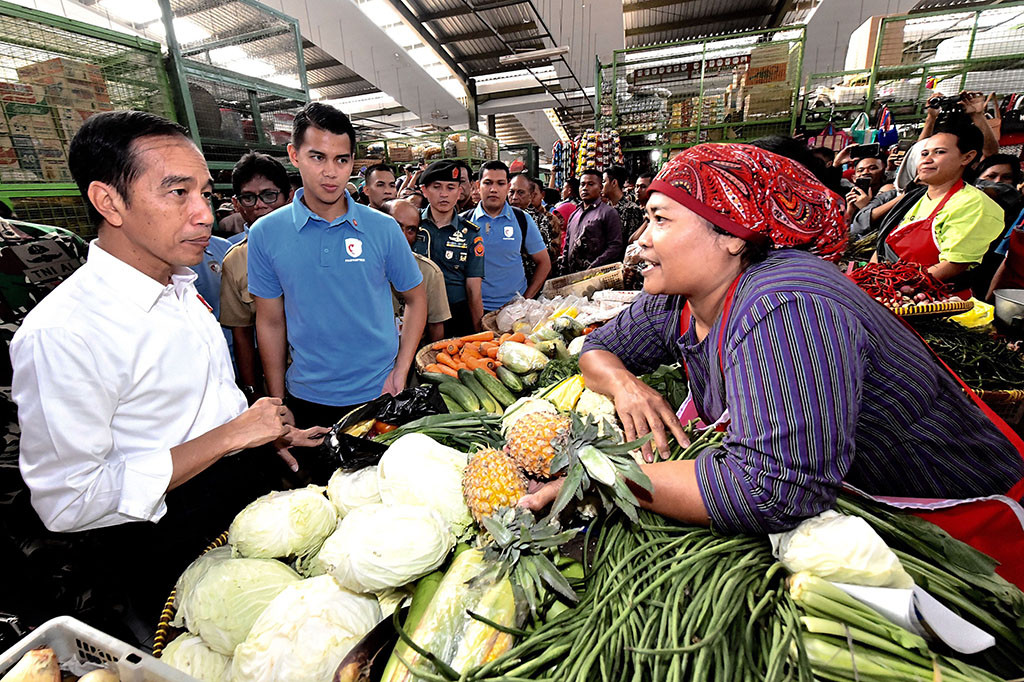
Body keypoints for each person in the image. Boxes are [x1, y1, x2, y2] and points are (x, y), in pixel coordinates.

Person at [520, 143, 1024, 586]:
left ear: (733, 234)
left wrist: (605, 476)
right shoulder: (679, 299)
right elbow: (597, 349)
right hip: (861, 530)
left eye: (661, 219)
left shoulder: (786, 304)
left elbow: (773, 487)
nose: (642, 239)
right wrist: (627, 386)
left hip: (960, 536)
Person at [9, 110, 323, 636]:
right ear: (108, 201)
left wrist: (263, 435)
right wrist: (232, 435)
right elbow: (69, 501)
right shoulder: (64, 333)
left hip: (240, 500)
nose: (204, 214)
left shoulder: (180, 288)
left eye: (205, 193)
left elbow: (189, 409)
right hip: (164, 541)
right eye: (178, 193)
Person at [249, 102, 426, 480]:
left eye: (342, 160)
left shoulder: (383, 229)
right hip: (307, 400)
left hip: (380, 395)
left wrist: (401, 369)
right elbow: (270, 321)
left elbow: (416, 298)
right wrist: (278, 403)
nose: (331, 172)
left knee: (386, 494)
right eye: (317, 157)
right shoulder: (266, 234)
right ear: (294, 155)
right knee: (319, 497)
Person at [875, 118, 1004, 293]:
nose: (927, 160)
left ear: (967, 157)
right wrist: (869, 281)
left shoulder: (973, 204)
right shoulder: (913, 198)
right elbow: (882, 248)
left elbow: (953, 264)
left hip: (932, 299)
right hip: (889, 290)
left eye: (939, 152)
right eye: (924, 153)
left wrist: (898, 288)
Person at [219, 153, 293, 399]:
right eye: (248, 197)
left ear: (288, 196)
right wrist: (252, 392)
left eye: (269, 195)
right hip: (279, 383)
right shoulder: (235, 261)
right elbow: (242, 335)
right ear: (236, 203)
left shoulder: (319, 243)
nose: (259, 205)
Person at [413, 159, 485, 335]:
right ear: (424, 190)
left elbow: (473, 290)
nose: (444, 194)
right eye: (436, 187)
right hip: (415, 312)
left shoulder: (470, 234)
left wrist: (479, 332)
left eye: (450, 187)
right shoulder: (412, 225)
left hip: (456, 316)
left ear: (459, 192)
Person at [471, 161, 550, 313]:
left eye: (500, 183)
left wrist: (525, 301)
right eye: (488, 183)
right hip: (474, 310)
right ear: (478, 186)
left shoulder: (522, 219)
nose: (493, 189)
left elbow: (544, 263)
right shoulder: (465, 222)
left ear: (507, 187)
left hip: (516, 312)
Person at [384, 198, 451, 343]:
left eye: (411, 230)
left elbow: (436, 328)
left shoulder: (429, 273)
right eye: (396, 226)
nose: (402, 236)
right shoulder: (361, 267)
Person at [557, 169, 624, 275]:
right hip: (572, 276)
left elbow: (615, 246)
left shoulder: (609, 212)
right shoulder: (574, 214)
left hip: (596, 276)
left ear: (600, 188)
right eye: (582, 184)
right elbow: (567, 245)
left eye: (590, 184)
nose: (585, 188)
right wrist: (563, 269)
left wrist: (594, 267)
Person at [509, 173, 555, 278]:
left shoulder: (540, 220)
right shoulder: (501, 216)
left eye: (521, 193)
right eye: (511, 192)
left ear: (531, 195)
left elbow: (544, 261)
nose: (515, 197)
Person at [844, 156, 895, 225]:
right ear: (854, 178)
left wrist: (865, 207)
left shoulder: (889, 191)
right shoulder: (850, 195)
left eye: (872, 168)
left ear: (884, 173)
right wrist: (850, 211)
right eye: (860, 170)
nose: (865, 172)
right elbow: (844, 228)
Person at [603, 165, 645, 243]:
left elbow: (632, 243)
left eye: (604, 181)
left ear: (614, 182)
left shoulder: (631, 210)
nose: (601, 186)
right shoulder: (604, 209)